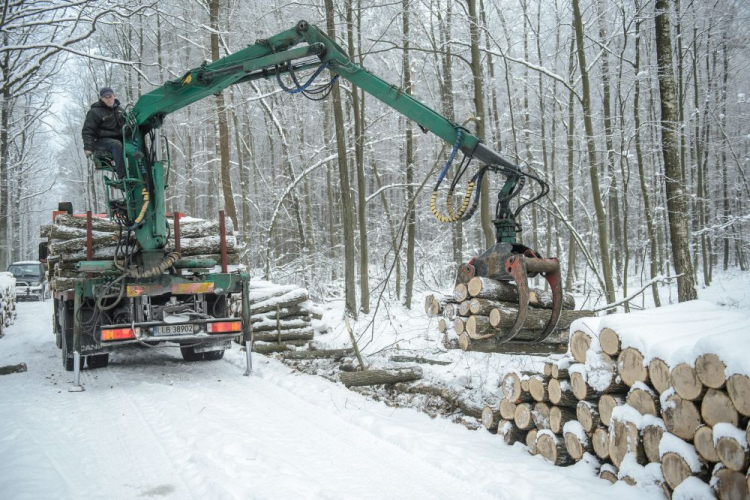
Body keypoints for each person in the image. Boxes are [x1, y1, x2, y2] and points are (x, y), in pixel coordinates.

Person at [82, 87, 126, 178]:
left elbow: (127, 126)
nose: (109, 99)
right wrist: (88, 148)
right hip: (101, 141)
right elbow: (88, 130)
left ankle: (145, 173)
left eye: (110, 96)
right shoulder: (95, 112)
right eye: (106, 97)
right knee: (116, 144)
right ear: (102, 98)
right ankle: (123, 176)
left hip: (119, 138)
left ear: (114, 96)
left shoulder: (120, 111)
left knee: (136, 144)